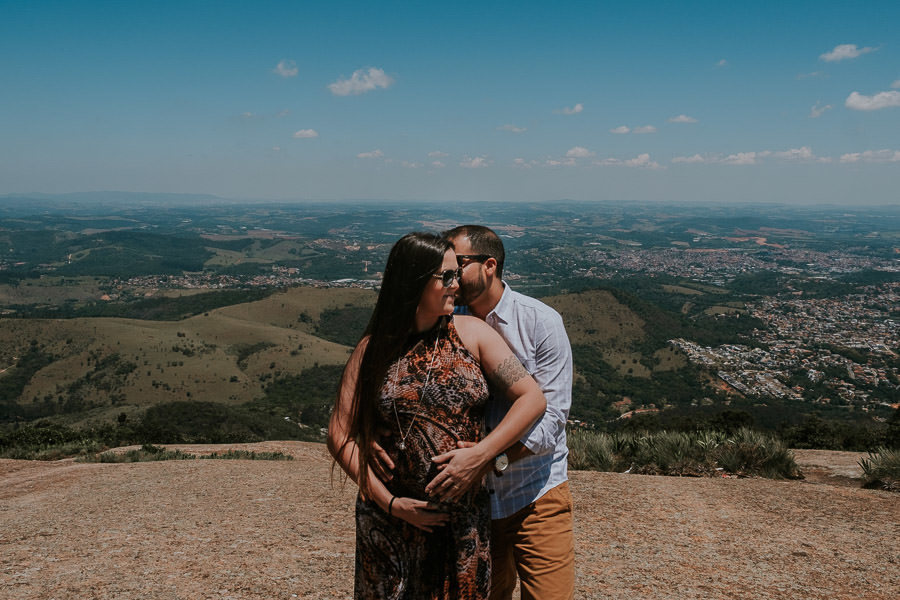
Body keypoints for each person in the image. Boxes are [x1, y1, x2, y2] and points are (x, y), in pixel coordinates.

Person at [327, 232, 547, 600]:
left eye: (455, 274)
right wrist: (392, 504)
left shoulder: (473, 334)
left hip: (460, 522)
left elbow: (532, 398)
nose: (455, 284)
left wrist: (483, 453)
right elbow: (339, 433)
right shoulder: (373, 348)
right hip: (390, 520)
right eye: (445, 277)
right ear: (414, 281)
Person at [426, 225, 575, 600]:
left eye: (457, 265)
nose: (449, 275)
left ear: (489, 265)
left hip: (536, 493)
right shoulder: (444, 320)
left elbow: (551, 421)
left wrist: (488, 460)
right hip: (472, 502)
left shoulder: (540, 322)